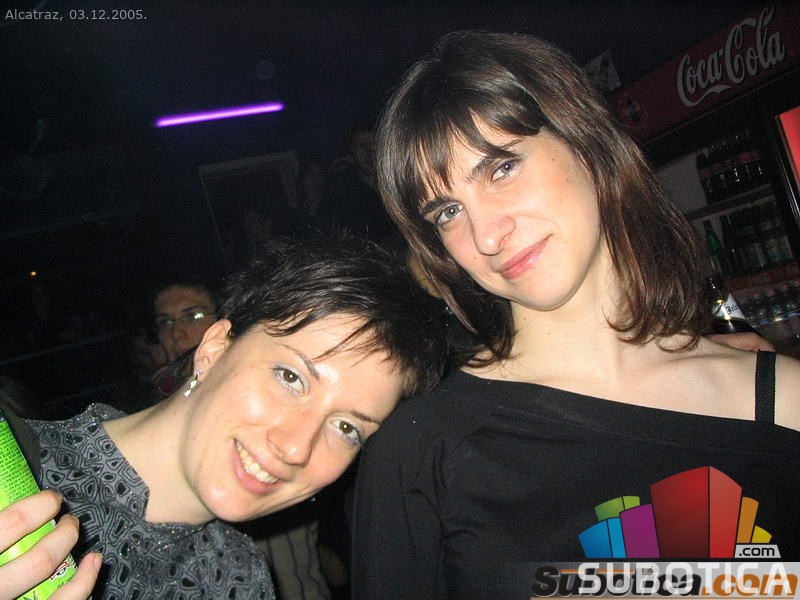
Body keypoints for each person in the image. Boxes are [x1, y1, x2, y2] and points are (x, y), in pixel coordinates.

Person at [351, 31, 800, 599]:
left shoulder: (781, 400)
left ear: (585, 141)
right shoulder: (422, 452)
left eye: (500, 169)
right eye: (447, 212)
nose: (486, 236)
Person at [3, 236, 448, 599]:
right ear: (214, 349)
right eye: (291, 377)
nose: (296, 447)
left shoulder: (239, 579)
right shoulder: (16, 468)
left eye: (347, 427)